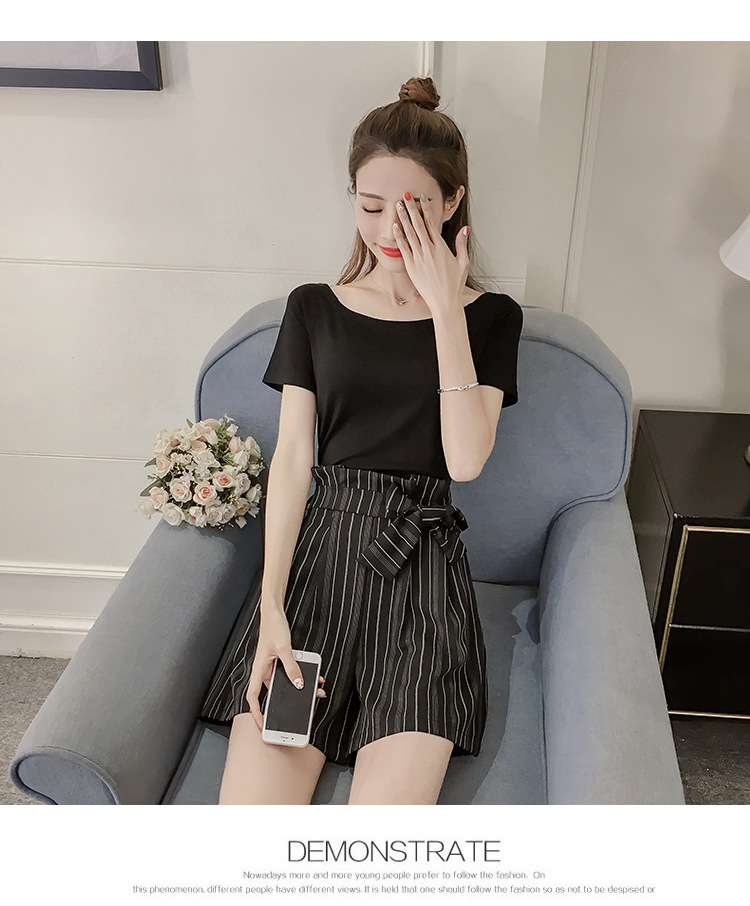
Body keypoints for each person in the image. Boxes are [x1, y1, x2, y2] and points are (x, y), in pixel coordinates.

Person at [198, 76, 523, 805]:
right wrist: (272, 610)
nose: (389, 230)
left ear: (453, 203)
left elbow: (466, 460)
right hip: (319, 572)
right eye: (371, 206)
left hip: (421, 582)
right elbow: (293, 461)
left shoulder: (492, 318)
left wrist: (446, 308)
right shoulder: (314, 309)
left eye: (413, 210)